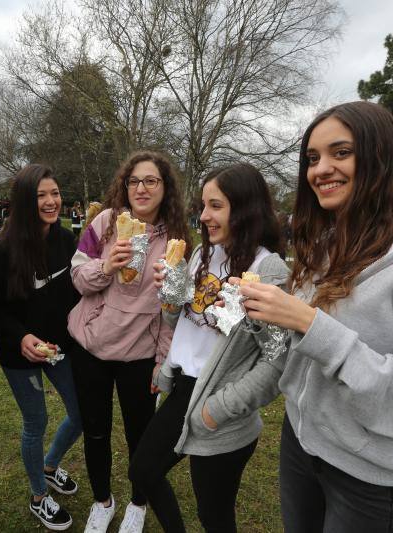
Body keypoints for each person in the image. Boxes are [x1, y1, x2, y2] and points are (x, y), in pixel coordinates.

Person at [236, 101, 393, 532]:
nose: (320, 169)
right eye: (312, 158)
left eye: (341, 152)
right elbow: (303, 352)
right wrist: (268, 310)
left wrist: (310, 324)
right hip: (300, 443)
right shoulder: (328, 246)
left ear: (380, 157)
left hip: (369, 475)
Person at [129, 163, 289, 532]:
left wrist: (219, 409)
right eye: (203, 205)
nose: (204, 216)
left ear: (245, 207)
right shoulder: (205, 252)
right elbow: (181, 319)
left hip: (219, 404)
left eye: (215, 206)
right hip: (184, 388)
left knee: (214, 515)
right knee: (143, 471)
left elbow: (277, 359)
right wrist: (170, 293)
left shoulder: (270, 269)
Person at [67, 151, 191, 533]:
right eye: (134, 180)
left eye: (151, 180)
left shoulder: (177, 239)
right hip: (91, 345)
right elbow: (77, 276)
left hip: (140, 353)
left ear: (165, 187)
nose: (141, 188)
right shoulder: (106, 223)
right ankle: (102, 501)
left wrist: (162, 359)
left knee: (141, 435)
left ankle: (138, 504)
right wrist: (106, 265)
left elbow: (175, 308)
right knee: (96, 429)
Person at [0, 164, 83, 531]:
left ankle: (49, 464)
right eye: (41, 195)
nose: (50, 201)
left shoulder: (67, 239)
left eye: (54, 193)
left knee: (81, 413)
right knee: (36, 422)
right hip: (19, 353)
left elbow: (79, 289)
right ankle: (39, 495)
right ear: (26, 200)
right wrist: (23, 337)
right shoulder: (4, 250)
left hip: (60, 348)